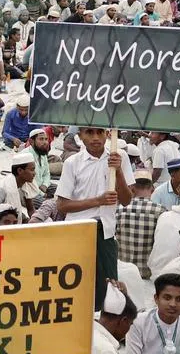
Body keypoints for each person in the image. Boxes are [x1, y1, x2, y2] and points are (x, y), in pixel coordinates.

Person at [57, 127, 134, 309]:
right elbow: (62, 205)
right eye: (89, 133)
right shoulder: (72, 163)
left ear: (108, 134)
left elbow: (126, 200)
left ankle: (103, 328)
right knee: (76, 283)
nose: (95, 138)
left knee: (109, 287)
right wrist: (98, 201)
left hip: (105, 232)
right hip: (77, 231)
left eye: (100, 132)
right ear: (80, 136)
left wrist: (119, 171)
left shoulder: (118, 157)